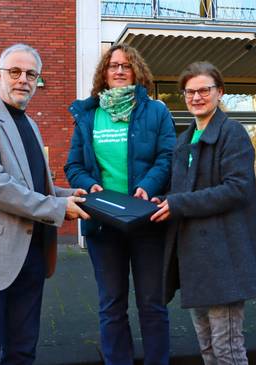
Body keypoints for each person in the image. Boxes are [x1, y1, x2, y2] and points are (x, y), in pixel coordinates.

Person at [0, 43, 89, 365]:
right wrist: (57, 209)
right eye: (15, 71)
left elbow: (33, 185)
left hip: (32, 252)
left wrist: (70, 195)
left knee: (23, 350)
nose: (23, 79)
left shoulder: (30, 124)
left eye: (31, 74)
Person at [151, 61, 256, 365]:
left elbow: (236, 189)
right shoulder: (184, 141)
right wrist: (160, 200)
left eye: (204, 90)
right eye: (190, 91)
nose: (196, 97)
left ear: (220, 92)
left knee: (227, 350)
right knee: (207, 349)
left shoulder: (233, 135)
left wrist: (177, 204)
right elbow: (182, 193)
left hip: (223, 260)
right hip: (194, 261)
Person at [64, 43, 175, 365]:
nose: (120, 70)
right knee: (111, 305)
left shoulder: (156, 111)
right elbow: (73, 166)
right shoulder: (87, 115)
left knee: (152, 304)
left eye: (127, 65)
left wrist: (146, 186)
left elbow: (167, 156)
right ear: (104, 72)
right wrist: (89, 185)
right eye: (113, 65)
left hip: (146, 221)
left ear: (137, 71)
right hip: (103, 223)